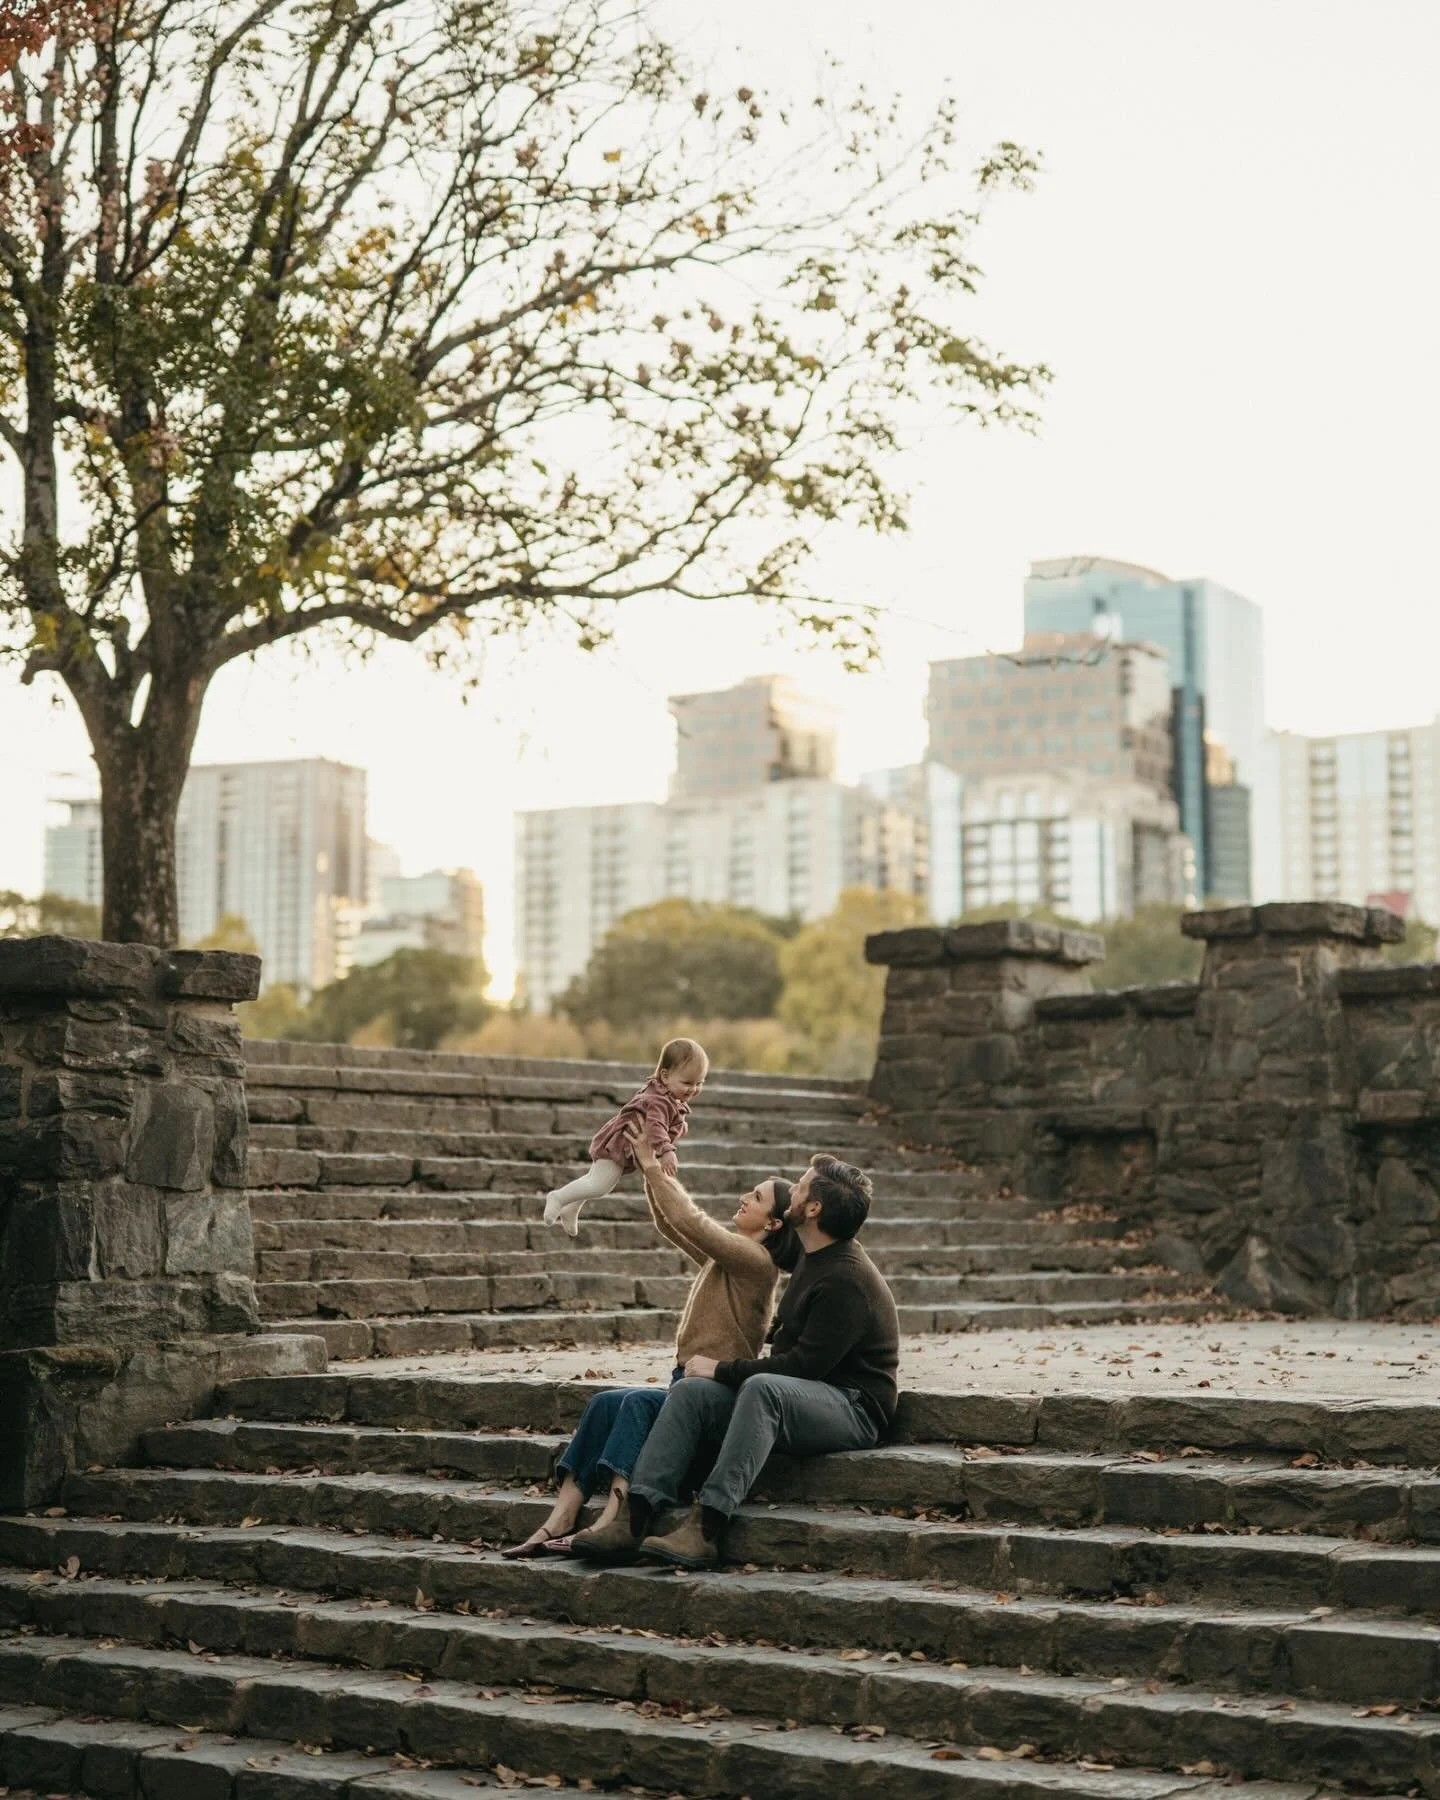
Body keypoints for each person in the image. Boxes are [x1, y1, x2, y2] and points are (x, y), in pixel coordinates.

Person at [573, 1153, 899, 1572]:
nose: (791, 1191)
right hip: (806, 1394)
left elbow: (803, 1367)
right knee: (692, 1391)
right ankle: (633, 1517)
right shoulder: (811, 1256)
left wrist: (722, 1369)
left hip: (853, 1408)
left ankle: (706, 1527)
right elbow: (694, 1235)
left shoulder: (845, 1278)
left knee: (762, 1388)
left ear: (813, 1208)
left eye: (799, 1187)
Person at [502, 1121, 794, 1558]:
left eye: (756, 1197)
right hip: (684, 1385)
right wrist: (648, 1169)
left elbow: (690, 1220)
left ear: (773, 1222)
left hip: (710, 1395)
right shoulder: (730, 1257)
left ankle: (613, 1522)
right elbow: (672, 1225)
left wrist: (653, 1166)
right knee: (605, 1404)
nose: (744, 1198)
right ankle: (560, 1517)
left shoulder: (756, 1261)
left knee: (637, 1404)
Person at [542, 1037, 708, 1236]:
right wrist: (666, 1151)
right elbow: (656, 1126)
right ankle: (558, 1197)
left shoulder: (665, 1095)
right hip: (619, 1145)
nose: (694, 1089)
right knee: (599, 1186)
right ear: (665, 1076)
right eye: (687, 1083)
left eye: (700, 1083)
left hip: (620, 1143)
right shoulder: (659, 1101)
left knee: (594, 1180)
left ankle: (571, 1207)